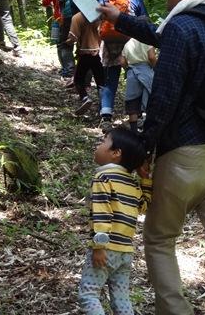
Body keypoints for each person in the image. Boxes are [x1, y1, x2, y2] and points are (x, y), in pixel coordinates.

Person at [97, 0, 205, 314]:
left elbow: (164, 96)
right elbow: (157, 33)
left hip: (184, 156)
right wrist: (117, 17)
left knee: (159, 239)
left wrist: (144, 150)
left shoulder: (183, 27)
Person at [78, 128, 152, 315]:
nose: (98, 145)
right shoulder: (132, 183)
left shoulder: (103, 177)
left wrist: (99, 246)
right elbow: (144, 206)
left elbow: (102, 213)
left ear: (116, 153)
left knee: (88, 294)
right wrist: (145, 180)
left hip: (106, 248)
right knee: (121, 297)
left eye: (103, 141)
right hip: (125, 252)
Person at [99, 0, 142, 129]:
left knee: (110, 80)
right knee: (135, 77)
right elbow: (144, 21)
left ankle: (106, 116)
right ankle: (136, 114)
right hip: (131, 43)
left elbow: (94, 18)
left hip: (109, 43)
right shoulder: (134, 0)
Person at [67, 10, 106, 116]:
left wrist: (68, 42)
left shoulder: (77, 17)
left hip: (84, 53)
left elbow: (73, 37)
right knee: (101, 82)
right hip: (99, 52)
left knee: (78, 79)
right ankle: (104, 108)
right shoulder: (101, 15)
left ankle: (85, 98)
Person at [120, 30, 156, 132]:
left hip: (132, 73)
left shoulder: (128, 44)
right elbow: (152, 57)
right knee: (149, 100)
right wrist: (155, 68)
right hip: (146, 72)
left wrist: (128, 69)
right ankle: (148, 130)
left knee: (133, 103)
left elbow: (122, 61)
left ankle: (134, 132)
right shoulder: (147, 42)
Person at [41, 0, 63, 64]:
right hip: (72, 19)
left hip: (58, 20)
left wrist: (52, 4)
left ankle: (65, 68)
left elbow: (44, 2)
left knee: (59, 44)